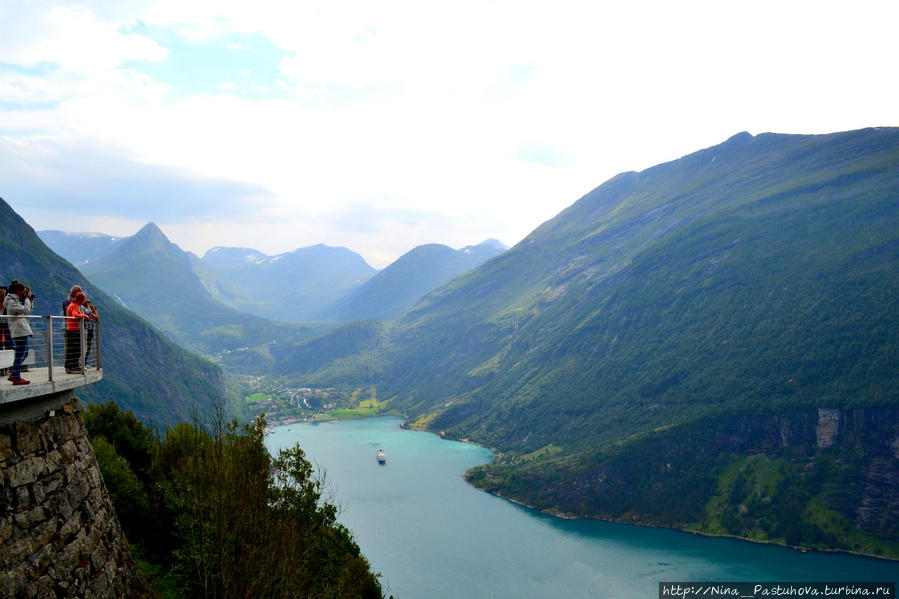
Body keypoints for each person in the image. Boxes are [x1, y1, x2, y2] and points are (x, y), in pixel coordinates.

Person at [4, 281, 35, 385]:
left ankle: (14, 373)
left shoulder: (16, 300)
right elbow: (25, 310)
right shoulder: (11, 302)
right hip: (18, 330)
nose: (24, 293)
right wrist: (26, 299)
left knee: (24, 352)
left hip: (21, 329)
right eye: (23, 291)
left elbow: (27, 311)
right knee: (20, 353)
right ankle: (16, 376)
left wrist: (30, 301)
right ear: (17, 291)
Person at [65, 291, 92, 373]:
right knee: (75, 349)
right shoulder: (74, 306)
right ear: (81, 300)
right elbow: (75, 315)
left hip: (72, 329)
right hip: (73, 330)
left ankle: (73, 366)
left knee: (74, 349)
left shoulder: (74, 305)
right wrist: (84, 316)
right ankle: (72, 367)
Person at [80, 298, 99, 366]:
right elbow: (91, 315)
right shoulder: (82, 308)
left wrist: (93, 310)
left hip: (90, 329)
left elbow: (96, 317)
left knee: (89, 347)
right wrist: (91, 309)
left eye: (89, 302)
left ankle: (85, 362)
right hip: (85, 329)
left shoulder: (91, 309)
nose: (88, 303)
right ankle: (82, 362)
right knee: (84, 346)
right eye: (87, 302)